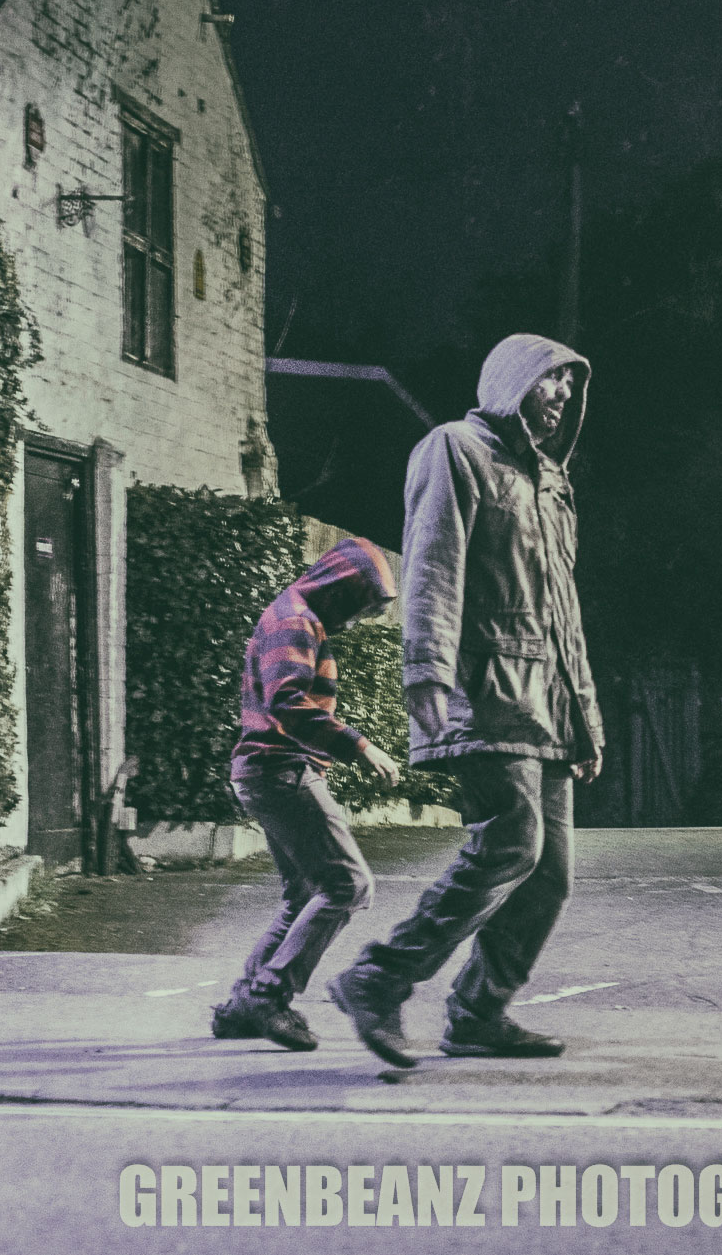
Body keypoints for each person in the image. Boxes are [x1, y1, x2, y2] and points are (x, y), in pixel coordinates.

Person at [327, 334, 605, 1068]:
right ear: (514, 380)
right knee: (513, 838)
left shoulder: (549, 482)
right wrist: (424, 668)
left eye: (573, 389)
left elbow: (563, 612)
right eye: (553, 382)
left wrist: (586, 719)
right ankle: (379, 977)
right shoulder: (454, 448)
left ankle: (479, 1011)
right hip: (483, 691)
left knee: (550, 874)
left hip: (545, 706)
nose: (564, 397)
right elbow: (432, 562)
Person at [211, 536, 404, 1051]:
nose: (357, 618)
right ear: (340, 588)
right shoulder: (295, 619)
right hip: (281, 770)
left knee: (303, 896)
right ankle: (268, 997)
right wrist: (360, 746)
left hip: (270, 770)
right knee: (348, 886)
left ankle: (241, 1007)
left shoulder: (298, 615)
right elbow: (287, 701)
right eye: (359, 605)